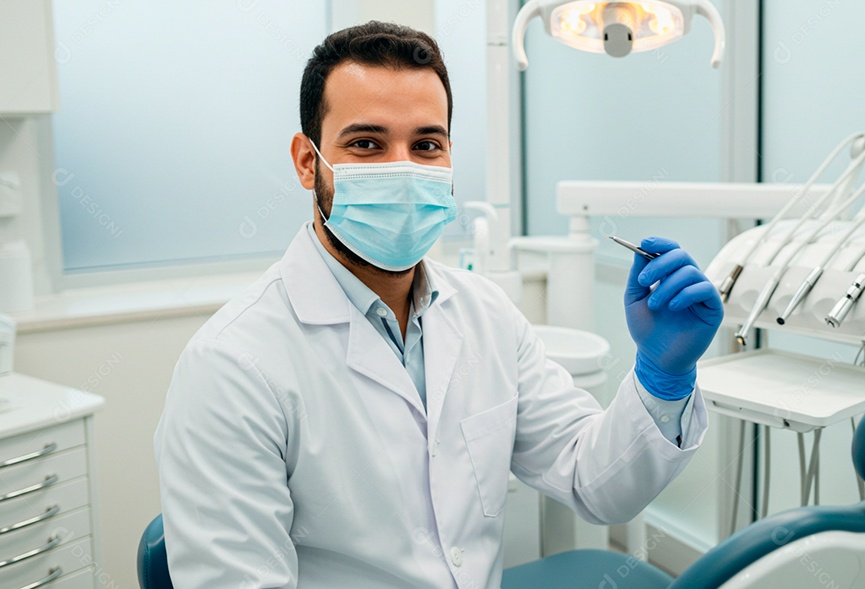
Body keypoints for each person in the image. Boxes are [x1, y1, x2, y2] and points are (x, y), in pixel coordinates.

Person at [154, 21, 723, 589]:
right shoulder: (231, 366)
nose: (402, 170)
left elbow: (595, 483)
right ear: (308, 162)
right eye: (366, 144)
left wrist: (662, 376)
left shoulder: (486, 314)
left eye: (426, 145)